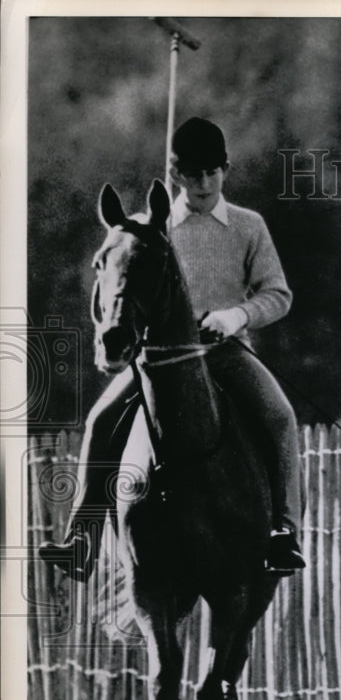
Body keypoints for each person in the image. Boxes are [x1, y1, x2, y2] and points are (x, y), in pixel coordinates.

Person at [39, 117, 305, 577]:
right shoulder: (149, 231)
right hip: (159, 360)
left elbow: (277, 294)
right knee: (101, 420)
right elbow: (111, 288)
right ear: (175, 174)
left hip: (227, 352)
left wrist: (235, 315)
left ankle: (283, 532)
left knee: (281, 416)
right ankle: (82, 541)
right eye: (192, 174)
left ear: (226, 169)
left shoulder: (248, 226)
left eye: (212, 173)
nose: (203, 184)